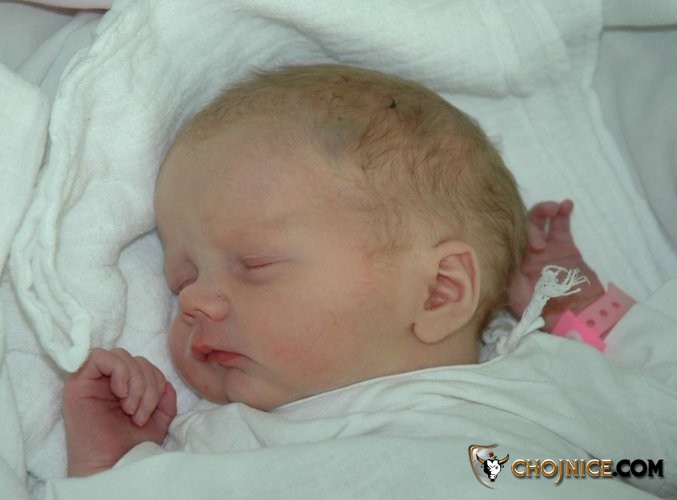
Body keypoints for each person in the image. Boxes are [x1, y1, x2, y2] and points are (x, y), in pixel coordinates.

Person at [58, 66, 669, 497]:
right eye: (182, 279)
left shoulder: (539, 389)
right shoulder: (223, 444)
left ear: (439, 292)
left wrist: (582, 310)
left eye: (256, 265)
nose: (192, 301)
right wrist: (116, 462)